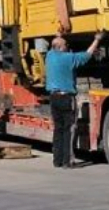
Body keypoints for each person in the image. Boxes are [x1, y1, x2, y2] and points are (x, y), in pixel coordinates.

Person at [45, 31, 105, 168]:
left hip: (54, 98)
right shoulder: (69, 59)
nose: (68, 45)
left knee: (58, 129)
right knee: (69, 129)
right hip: (67, 98)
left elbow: (54, 45)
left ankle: (57, 160)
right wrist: (96, 40)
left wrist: (59, 35)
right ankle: (67, 161)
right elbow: (87, 55)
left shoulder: (49, 56)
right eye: (66, 44)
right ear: (60, 47)